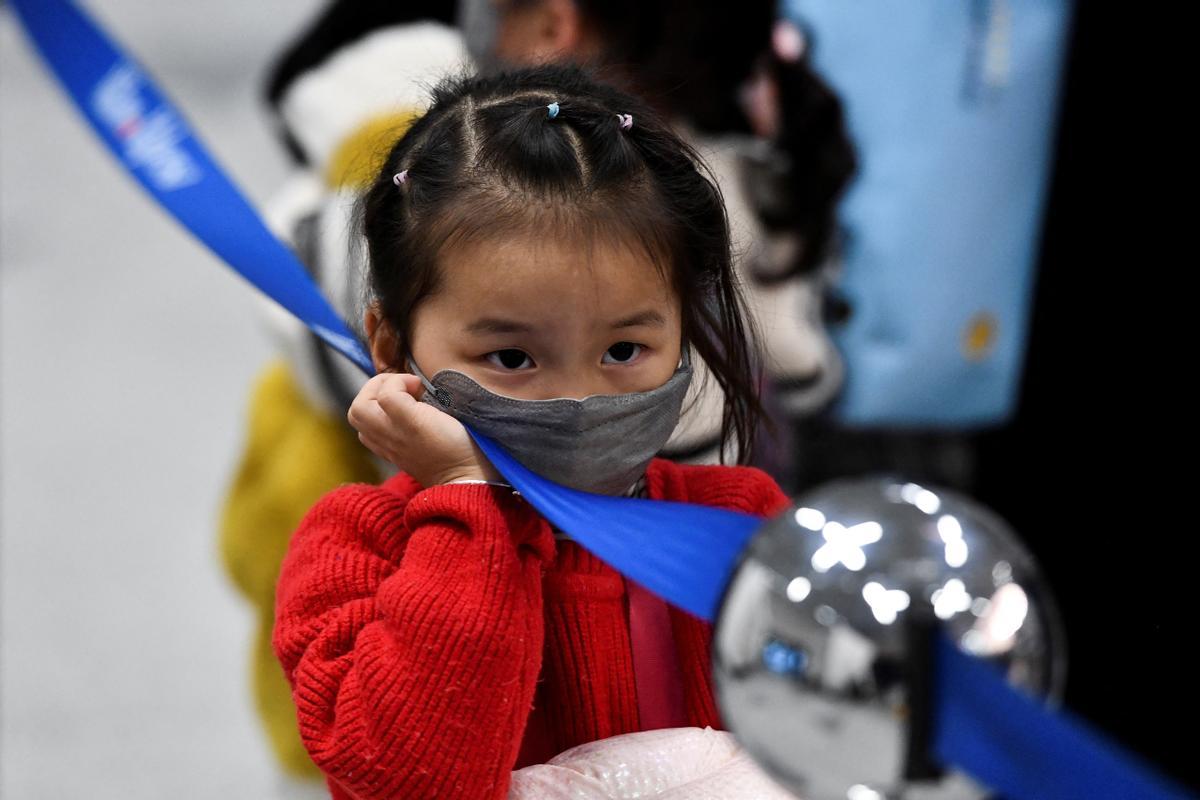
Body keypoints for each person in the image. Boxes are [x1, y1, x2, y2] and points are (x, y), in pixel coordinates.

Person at [273, 65, 792, 800]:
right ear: (391, 345)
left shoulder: (737, 526)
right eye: (512, 358)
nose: (577, 399)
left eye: (623, 351)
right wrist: (465, 499)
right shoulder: (358, 550)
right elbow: (414, 781)